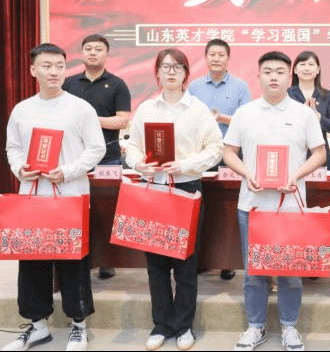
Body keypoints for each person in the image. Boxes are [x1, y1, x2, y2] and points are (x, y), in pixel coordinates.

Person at [4, 43, 106, 352]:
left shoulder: (80, 108)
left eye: (59, 66)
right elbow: (13, 147)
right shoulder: (22, 109)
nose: (54, 72)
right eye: (47, 66)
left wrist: (69, 171)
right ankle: (37, 327)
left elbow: (97, 148)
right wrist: (20, 168)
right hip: (33, 195)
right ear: (33, 70)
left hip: (70, 194)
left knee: (73, 262)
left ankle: (78, 326)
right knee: (32, 262)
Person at [223, 51, 326, 352]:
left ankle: (290, 327)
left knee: (290, 273)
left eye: (280, 72)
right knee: (254, 272)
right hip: (252, 205)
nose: (273, 77)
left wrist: (295, 175)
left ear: (288, 76)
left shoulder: (303, 114)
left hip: (290, 207)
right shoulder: (244, 113)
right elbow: (228, 152)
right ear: (258, 76)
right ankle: (255, 327)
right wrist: (247, 173)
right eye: (267, 71)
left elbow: (319, 154)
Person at [126, 48, 222, 351]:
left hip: (186, 187)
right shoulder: (146, 109)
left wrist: (185, 165)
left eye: (177, 67)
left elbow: (215, 148)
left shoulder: (197, 109)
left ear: (186, 74)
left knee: (185, 265)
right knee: (155, 265)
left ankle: (183, 326)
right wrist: (138, 163)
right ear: (157, 73)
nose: (171, 72)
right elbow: (132, 145)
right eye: (165, 67)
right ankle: (161, 325)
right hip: (153, 187)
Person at [63, 33, 131, 280]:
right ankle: (79, 256)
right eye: (88, 48)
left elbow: (123, 120)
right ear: (82, 53)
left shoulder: (117, 84)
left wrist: (92, 120)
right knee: (77, 209)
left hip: (108, 158)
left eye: (98, 49)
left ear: (107, 55)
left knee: (107, 211)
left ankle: (107, 262)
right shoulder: (69, 84)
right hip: (73, 158)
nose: (93, 53)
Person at [187, 38, 251, 282]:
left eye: (221, 54)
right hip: (200, 155)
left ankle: (227, 262)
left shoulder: (240, 86)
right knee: (201, 208)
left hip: (230, 155)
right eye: (212, 54)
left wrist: (222, 118)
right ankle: (200, 260)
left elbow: (247, 120)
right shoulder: (193, 87)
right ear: (205, 58)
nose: (216, 58)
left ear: (228, 58)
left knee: (228, 209)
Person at [288, 50, 330, 170]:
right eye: (302, 64)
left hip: (320, 157)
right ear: (295, 70)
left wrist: (318, 116)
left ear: (318, 70)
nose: (307, 68)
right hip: (293, 156)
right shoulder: (287, 95)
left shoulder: (327, 96)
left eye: (311, 65)